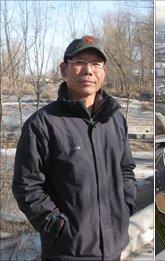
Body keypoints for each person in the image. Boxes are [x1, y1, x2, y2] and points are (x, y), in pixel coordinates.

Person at [12, 35, 137, 260]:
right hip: (67, 252)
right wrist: (58, 227)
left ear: (104, 72)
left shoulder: (115, 119)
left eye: (96, 64)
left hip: (113, 248)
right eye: (79, 62)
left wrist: (125, 208)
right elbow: (26, 187)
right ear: (64, 69)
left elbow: (126, 170)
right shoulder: (43, 124)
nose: (88, 70)